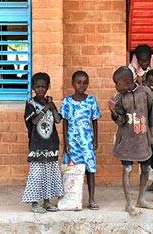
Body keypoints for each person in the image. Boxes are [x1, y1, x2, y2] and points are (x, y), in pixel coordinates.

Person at [108, 66, 153, 216]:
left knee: (145, 169)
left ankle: (141, 199)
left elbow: (152, 116)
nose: (116, 86)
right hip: (127, 141)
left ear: (128, 81)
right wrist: (113, 111)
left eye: (117, 83)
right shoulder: (118, 97)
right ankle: (129, 203)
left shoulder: (145, 92)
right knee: (127, 169)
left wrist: (152, 136)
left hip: (143, 139)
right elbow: (121, 121)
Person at [22, 72, 64, 213]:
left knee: (49, 173)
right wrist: (45, 109)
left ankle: (46, 202)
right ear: (33, 87)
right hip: (37, 144)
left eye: (44, 87)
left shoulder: (49, 103)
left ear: (48, 87)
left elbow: (58, 120)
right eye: (38, 86)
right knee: (36, 174)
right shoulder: (30, 103)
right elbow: (33, 121)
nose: (41, 89)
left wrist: (51, 107)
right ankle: (35, 202)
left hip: (51, 144)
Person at [61, 70, 101, 209]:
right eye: (78, 82)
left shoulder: (91, 100)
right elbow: (64, 122)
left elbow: (94, 121)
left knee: (90, 170)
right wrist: (65, 142)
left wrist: (95, 140)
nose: (82, 85)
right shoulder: (67, 101)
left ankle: (91, 199)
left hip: (87, 142)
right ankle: (71, 198)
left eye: (85, 83)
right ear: (73, 84)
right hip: (72, 142)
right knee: (71, 171)